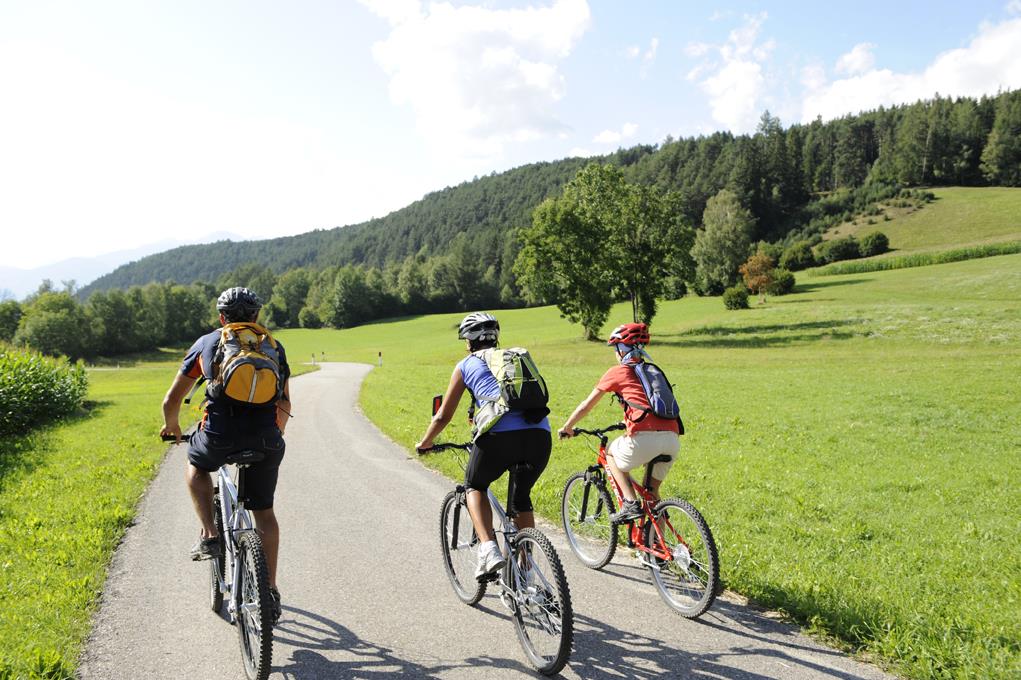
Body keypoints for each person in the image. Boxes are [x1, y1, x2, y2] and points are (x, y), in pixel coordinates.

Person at [160, 287, 291, 621]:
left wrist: (172, 428)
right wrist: (272, 437)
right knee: (265, 515)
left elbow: (171, 401)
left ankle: (209, 535)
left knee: (195, 464)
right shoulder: (273, 347)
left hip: (219, 436)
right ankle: (270, 591)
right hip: (266, 440)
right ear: (256, 317)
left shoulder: (207, 343)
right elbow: (284, 403)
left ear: (222, 318)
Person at [416, 312, 552, 580]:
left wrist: (425, 443)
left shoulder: (466, 364)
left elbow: (443, 415)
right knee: (521, 498)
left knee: (474, 486)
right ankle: (526, 573)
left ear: (468, 340)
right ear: (495, 337)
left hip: (498, 437)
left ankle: (488, 549)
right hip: (539, 435)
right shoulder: (514, 359)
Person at [558, 322, 680, 523]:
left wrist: (567, 427)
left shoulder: (617, 371)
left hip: (645, 439)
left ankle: (630, 503)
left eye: (616, 349)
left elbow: (586, 406)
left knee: (611, 454)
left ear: (622, 350)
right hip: (672, 439)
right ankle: (659, 550)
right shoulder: (653, 371)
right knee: (651, 496)